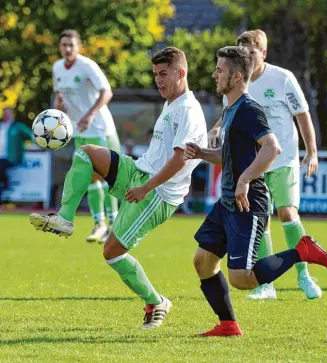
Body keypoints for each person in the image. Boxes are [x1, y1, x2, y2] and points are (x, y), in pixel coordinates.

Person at [30, 47, 208, 329]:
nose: (158, 80)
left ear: (181, 73)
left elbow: (179, 159)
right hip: (137, 171)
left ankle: (155, 301)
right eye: (155, 75)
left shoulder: (187, 109)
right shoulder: (172, 102)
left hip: (157, 194)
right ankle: (64, 218)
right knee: (86, 152)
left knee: (112, 252)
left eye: (163, 74)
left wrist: (146, 188)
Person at [184, 45, 327, 337]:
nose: (215, 74)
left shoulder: (249, 109)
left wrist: (244, 180)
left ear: (237, 75)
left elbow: (273, 148)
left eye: (220, 70)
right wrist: (202, 152)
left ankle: (302, 251)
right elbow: (229, 155)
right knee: (202, 260)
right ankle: (228, 325)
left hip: (247, 201)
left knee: (242, 278)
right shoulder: (230, 108)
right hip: (227, 199)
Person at [208, 30, 321, 300]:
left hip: (282, 159)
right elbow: (230, 115)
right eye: (242, 52)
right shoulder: (236, 83)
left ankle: (304, 275)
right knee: (261, 222)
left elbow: (302, 115)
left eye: (251, 51)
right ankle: (267, 285)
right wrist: (215, 128)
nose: (247, 56)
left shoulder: (282, 78)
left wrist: (312, 151)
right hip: (253, 164)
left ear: (264, 53)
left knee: (287, 214)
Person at [52, 29, 120, 243]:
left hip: (100, 129)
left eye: (72, 45)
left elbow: (107, 92)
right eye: (64, 45)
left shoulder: (88, 65)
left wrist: (89, 115)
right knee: (90, 177)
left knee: (108, 177)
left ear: (79, 46)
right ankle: (99, 224)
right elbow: (59, 96)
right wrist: (59, 106)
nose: (68, 48)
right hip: (78, 131)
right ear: (60, 47)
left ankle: (114, 225)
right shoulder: (57, 68)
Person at [0, 107, 33, 203]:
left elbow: (31, 136)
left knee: (1, 167)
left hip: (10, 158)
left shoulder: (17, 126)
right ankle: (5, 187)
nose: (7, 115)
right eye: (5, 113)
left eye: (9, 113)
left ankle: (6, 186)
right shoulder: (1, 126)